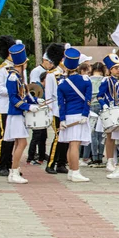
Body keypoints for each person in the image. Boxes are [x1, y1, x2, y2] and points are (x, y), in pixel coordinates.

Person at [2, 41, 39, 184]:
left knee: (20, 143)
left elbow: (24, 94)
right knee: (22, 143)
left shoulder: (18, 76)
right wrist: (27, 107)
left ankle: (14, 171)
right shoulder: (12, 77)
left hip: (19, 114)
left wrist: (35, 102)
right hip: (15, 114)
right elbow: (13, 98)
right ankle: (14, 171)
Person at [57, 47, 92, 182]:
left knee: (71, 145)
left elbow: (61, 103)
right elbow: (88, 99)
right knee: (75, 145)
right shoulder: (85, 80)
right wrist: (85, 114)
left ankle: (71, 171)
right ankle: (75, 171)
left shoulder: (62, 83)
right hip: (80, 115)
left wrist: (62, 118)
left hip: (68, 115)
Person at [43, 43, 68, 175]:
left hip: (68, 110)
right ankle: (51, 163)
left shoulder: (67, 73)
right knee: (59, 136)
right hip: (57, 110)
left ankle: (62, 163)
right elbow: (49, 95)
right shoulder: (52, 75)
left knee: (66, 138)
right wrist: (51, 111)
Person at [0, 35, 17, 176]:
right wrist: (12, 92)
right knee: (3, 137)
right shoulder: (1, 69)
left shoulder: (18, 68)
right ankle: (1, 165)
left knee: (13, 137)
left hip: (15, 107)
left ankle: (10, 163)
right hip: (4, 107)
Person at [96, 49, 119, 172]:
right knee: (110, 137)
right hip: (110, 111)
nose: (118, 70)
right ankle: (110, 160)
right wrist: (104, 105)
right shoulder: (106, 81)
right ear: (110, 69)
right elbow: (100, 96)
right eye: (116, 68)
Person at [88, 62, 106, 166]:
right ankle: (100, 156)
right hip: (102, 105)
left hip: (91, 106)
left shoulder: (89, 79)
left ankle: (94, 157)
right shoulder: (105, 79)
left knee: (93, 133)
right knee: (102, 133)